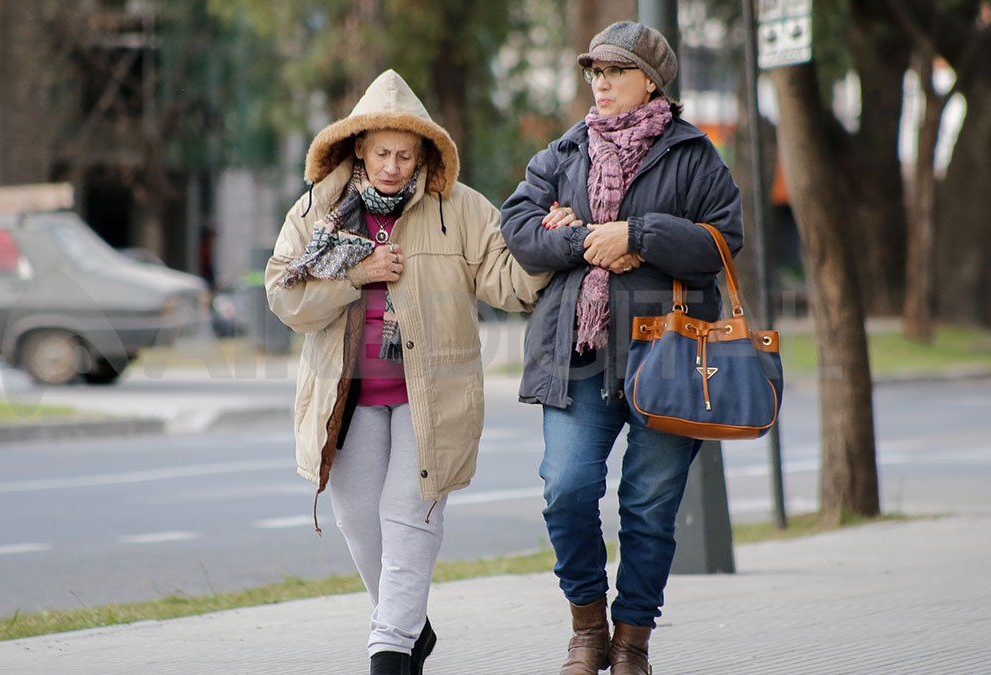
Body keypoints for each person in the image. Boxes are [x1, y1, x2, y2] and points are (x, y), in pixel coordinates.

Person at [265, 69, 550, 675]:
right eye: (382, 153)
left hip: (432, 397)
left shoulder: (461, 208)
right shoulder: (318, 211)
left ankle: (390, 652)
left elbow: (508, 282)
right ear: (360, 149)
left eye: (405, 154)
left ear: (423, 154)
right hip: (349, 397)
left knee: (407, 521)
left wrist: (548, 244)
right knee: (358, 523)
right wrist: (355, 277)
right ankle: (408, 628)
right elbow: (285, 297)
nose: (393, 166)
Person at [500, 21, 744, 675]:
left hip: (669, 358)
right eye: (594, 72)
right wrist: (586, 240)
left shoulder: (695, 154)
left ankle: (632, 641)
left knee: (648, 505)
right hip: (577, 356)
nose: (600, 83)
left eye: (614, 71)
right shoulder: (564, 152)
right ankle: (587, 627)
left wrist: (640, 232)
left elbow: (722, 241)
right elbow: (518, 227)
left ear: (650, 81)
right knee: (566, 490)